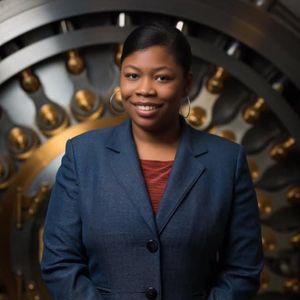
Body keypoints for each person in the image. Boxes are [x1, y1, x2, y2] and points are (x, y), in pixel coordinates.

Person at [41, 23, 263, 300]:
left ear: (187, 84)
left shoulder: (226, 161)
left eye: (161, 78)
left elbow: (242, 270)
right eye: (133, 75)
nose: (144, 90)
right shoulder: (82, 155)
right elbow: (59, 263)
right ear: (120, 79)